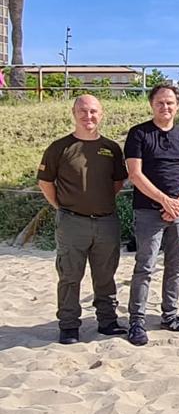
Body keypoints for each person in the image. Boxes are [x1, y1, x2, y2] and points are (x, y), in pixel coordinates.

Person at [37, 94, 128, 344]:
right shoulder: (59, 147)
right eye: (83, 111)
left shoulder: (111, 148)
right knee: (69, 275)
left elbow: (118, 182)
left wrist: (99, 202)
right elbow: (45, 182)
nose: (88, 116)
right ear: (74, 113)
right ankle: (68, 325)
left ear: (101, 114)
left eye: (93, 112)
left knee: (106, 275)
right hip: (71, 222)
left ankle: (107, 320)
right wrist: (62, 207)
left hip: (106, 222)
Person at [124, 84, 179, 346]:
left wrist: (178, 204)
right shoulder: (138, 134)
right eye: (160, 102)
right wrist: (165, 201)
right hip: (148, 211)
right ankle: (136, 321)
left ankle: (170, 315)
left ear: (177, 106)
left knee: (176, 265)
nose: (165, 107)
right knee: (145, 267)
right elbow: (135, 174)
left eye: (170, 103)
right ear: (151, 104)